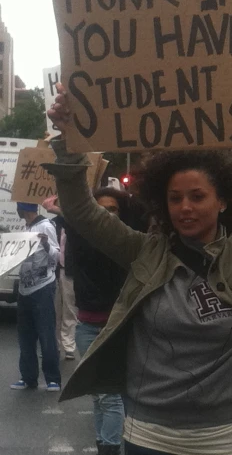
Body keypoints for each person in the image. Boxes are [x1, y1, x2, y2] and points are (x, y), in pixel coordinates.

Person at [46, 72, 232, 455]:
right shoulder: (144, 252)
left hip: (224, 439)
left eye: (197, 196)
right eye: (174, 197)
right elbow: (82, 211)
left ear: (223, 200)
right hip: (147, 437)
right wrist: (67, 142)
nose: (185, 207)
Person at [44, 190, 147, 455]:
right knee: (99, 396)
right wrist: (65, 211)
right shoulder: (82, 239)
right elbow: (78, 225)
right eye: (100, 209)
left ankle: (110, 449)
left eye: (113, 209)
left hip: (116, 327)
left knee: (110, 396)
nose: (106, 215)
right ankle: (106, 446)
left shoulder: (126, 246)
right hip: (87, 327)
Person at [11, 202, 61, 392]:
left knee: (46, 334)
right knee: (25, 336)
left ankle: (53, 379)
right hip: (24, 289)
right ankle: (28, 377)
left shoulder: (46, 226)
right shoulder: (27, 227)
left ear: (23, 209)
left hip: (42, 288)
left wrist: (46, 244)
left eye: (18, 206)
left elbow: (57, 256)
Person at [42, 196, 78, 361]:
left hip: (70, 270)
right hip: (53, 270)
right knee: (54, 309)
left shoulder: (75, 222)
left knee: (70, 309)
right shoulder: (52, 223)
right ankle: (54, 344)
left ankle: (69, 345)